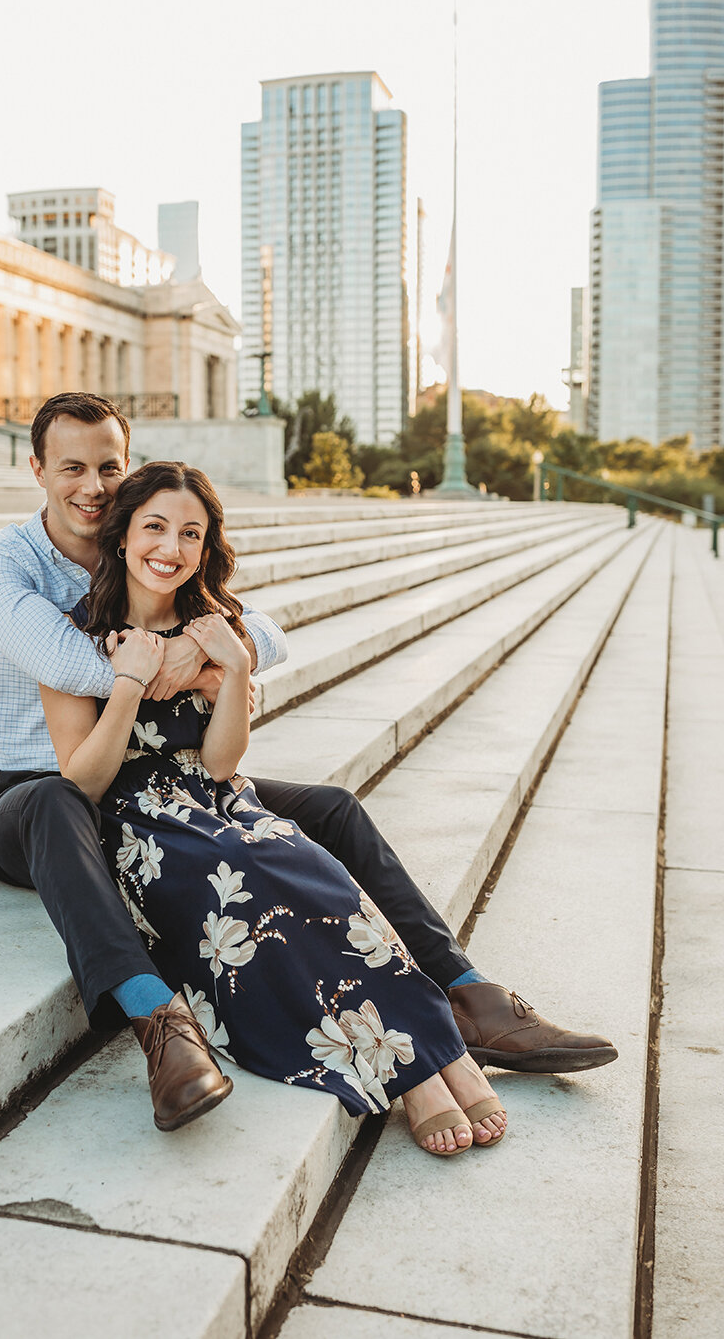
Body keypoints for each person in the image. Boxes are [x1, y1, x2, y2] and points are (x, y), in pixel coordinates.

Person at [0, 393, 616, 1140]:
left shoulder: (154, 557)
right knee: (64, 801)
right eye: (71, 467)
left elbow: (259, 629)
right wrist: (166, 657)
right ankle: (160, 1024)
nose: (92, 484)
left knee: (327, 811)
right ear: (36, 468)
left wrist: (221, 651)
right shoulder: (4, 568)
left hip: (165, 772)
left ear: (129, 468)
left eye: (109, 466)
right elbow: (62, 662)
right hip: (37, 792)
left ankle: (468, 995)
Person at [43, 459, 510, 1156]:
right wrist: (130, 684)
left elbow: (224, 763)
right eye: (155, 528)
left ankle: (432, 1044)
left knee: (308, 865)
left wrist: (232, 668)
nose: (169, 549)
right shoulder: (72, 635)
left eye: (190, 534)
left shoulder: (215, 629)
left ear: (206, 548)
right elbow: (83, 780)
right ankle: (416, 1065)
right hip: (139, 827)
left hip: (221, 799)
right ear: (121, 537)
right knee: (244, 863)